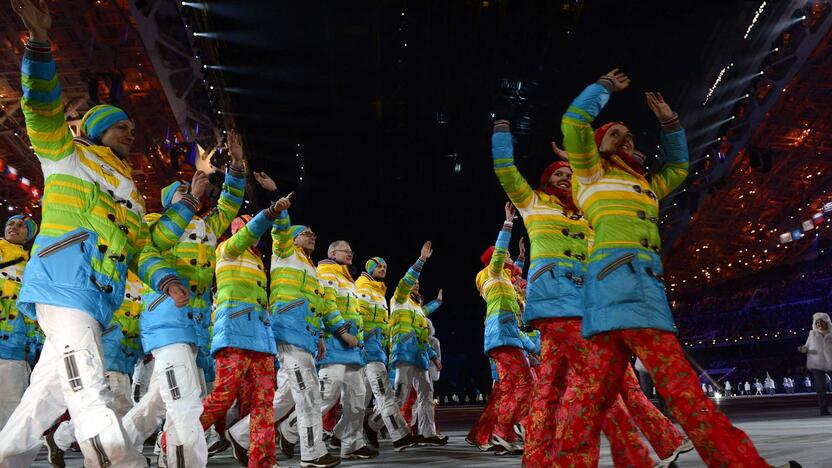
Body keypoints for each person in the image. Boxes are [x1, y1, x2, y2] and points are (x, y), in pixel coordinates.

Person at [558, 68, 799, 468]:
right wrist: (603, 88)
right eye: (616, 134)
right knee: (683, 390)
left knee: (586, 403)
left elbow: (678, 168)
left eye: (630, 134)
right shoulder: (590, 171)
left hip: (614, 299)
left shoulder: (646, 184)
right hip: (627, 291)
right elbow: (573, 121)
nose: (627, 138)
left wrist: (670, 124)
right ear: (596, 146)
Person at [1, 2, 189, 466]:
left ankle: (4, 454)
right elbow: (41, 110)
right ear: (100, 129)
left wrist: (164, 278)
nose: (130, 132)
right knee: (88, 382)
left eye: (130, 127)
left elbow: (143, 246)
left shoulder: (128, 189)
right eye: (121, 126)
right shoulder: (66, 154)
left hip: (95, 293)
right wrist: (40, 46)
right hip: (64, 284)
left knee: (45, 394)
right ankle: (116, 460)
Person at [492, 117, 686, 467]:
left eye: (569, 174)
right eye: (558, 174)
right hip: (556, 305)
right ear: (545, 180)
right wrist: (502, 134)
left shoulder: (585, 216)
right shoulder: (533, 203)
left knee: (550, 390)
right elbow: (506, 170)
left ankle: (536, 461)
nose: (565, 178)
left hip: (589, 309)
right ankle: (653, 446)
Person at [120, 129, 247, 466]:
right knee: (186, 401)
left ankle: (111, 449)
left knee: (158, 402)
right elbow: (156, 247)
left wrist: (236, 165)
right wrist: (189, 199)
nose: (188, 194)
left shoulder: (206, 226)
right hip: (166, 319)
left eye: (189, 191)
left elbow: (229, 204)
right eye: (179, 192)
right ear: (168, 202)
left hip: (195, 324)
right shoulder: (153, 222)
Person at [227, 214, 356, 468]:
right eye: (307, 233)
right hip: (288, 332)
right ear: (294, 238)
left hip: (305, 336)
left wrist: (322, 335)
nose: (312, 237)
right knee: (308, 394)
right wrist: (280, 207)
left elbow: (322, 305)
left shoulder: (312, 269)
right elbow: (280, 230)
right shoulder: (285, 251)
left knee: (285, 396)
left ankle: (240, 434)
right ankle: (312, 453)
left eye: (313, 235)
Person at [199, 182, 293, 467]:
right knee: (223, 396)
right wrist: (269, 212)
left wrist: (278, 210)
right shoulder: (226, 249)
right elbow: (250, 233)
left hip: (260, 340)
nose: (253, 232)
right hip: (234, 336)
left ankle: (262, 461)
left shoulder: (258, 261)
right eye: (247, 226)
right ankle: (176, 438)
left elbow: (280, 236)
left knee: (263, 403)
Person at [46, 270, 145, 465]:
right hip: (105, 351)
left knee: (120, 407)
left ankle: (64, 440)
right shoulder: (113, 274)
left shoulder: (144, 283)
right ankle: (67, 442)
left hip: (126, 356)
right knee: (106, 406)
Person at [473, 203, 536, 454]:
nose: (508, 257)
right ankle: (505, 429)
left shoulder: (505, 283)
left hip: (508, 336)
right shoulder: (491, 275)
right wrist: (507, 224)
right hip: (501, 338)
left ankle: (505, 434)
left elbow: (516, 320)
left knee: (513, 387)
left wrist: (533, 349)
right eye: (505, 255)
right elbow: (500, 255)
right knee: (526, 382)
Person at [357, 257, 419, 451]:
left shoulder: (379, 291)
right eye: (379, 266)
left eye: (385, 266)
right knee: (385, 394)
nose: (382, 269)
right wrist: (420, 262)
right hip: (367, 351)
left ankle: (342, 435)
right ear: (370, 269)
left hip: (376, 351)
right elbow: (357, 316)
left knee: (360, 400)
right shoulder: (362, 287)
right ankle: (399, 436)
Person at [388, 242, 447, 445]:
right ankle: (375, 425)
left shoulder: (417, 309)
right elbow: (407, 281)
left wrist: (433, 357)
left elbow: (423, 336)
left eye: (418, 284)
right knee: (400, 394)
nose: (416, 284)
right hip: (404, 353)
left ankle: (427, 433)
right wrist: (421, 260)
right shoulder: (399, 298)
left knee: (426, 394)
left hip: (420, 357)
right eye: (414, 283)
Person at [0, 215, 37, 430]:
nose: (13, 227)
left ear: (28, 235)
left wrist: (34, 344)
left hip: (14, 347)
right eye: (9, 223)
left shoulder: (32, 268)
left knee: (10, 406)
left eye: (20, 225)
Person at [798, 313, 832, 415]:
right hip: (817, 364)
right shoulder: (812, 334)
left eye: (821, 322)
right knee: (820, 388)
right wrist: (803, 349)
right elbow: (806, 346)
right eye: (817, 322)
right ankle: (823, 409)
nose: (819, 324)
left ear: (826, 323)